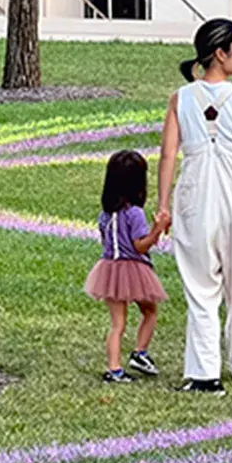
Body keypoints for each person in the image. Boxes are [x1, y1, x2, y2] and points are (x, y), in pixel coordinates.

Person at [155, 18, 232, 394]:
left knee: (201, 287)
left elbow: (167, 156)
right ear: (219, 54)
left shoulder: (180, 98)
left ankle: (205, 373)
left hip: (194, 197)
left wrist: (162, 207)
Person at [84, 150, 169, 383]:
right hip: (134, 269)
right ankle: (140, 353)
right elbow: (140, 246)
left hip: (109, 269)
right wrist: (157, 229)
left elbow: (107, 243)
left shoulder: (105, 215)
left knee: (117, 324)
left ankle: (114, 369)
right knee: (149, 311)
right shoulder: (135, 213)